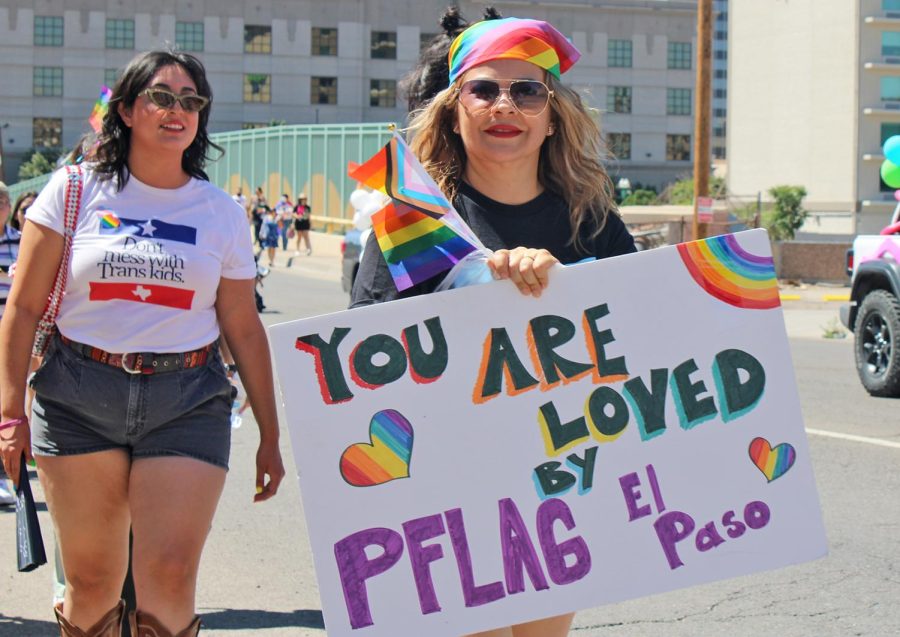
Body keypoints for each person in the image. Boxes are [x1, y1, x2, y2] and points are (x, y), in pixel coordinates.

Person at [350, 16, 635, 637]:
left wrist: (563, 287)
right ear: (454, 112)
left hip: (562, 477)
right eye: (483, 90)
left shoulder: (595, 225)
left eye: (528, 91)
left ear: (553, 114)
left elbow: (646, 338)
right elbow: (362, 361)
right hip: (450, 482)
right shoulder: (408, 225)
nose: (505, 105)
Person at [0, 49, 285, 637]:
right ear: (127, 110)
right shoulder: (72, 190)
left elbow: (243, 326)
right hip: (77, 395)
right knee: (92, 581)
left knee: (171, 576)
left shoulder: (222, 212)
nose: (176, 110)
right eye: (160, 96)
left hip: (188, 401)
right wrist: (9, 412)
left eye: (191, 101)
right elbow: (23, 307)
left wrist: (270, 433)